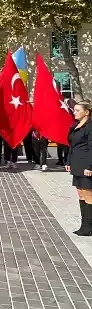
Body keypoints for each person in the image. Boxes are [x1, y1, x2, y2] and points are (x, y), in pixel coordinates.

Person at [66, 101, 92, 237]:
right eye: (74, 110)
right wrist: (69, 161)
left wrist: (90, 166)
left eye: (77, 110)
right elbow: (72, 145)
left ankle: (88, 227)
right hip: (76, 164)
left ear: (86, 112)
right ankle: (84, 225)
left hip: (86, 165)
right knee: (81, 194)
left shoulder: (90, 127)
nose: (74, 112)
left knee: (88, 195)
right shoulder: (75, 126)